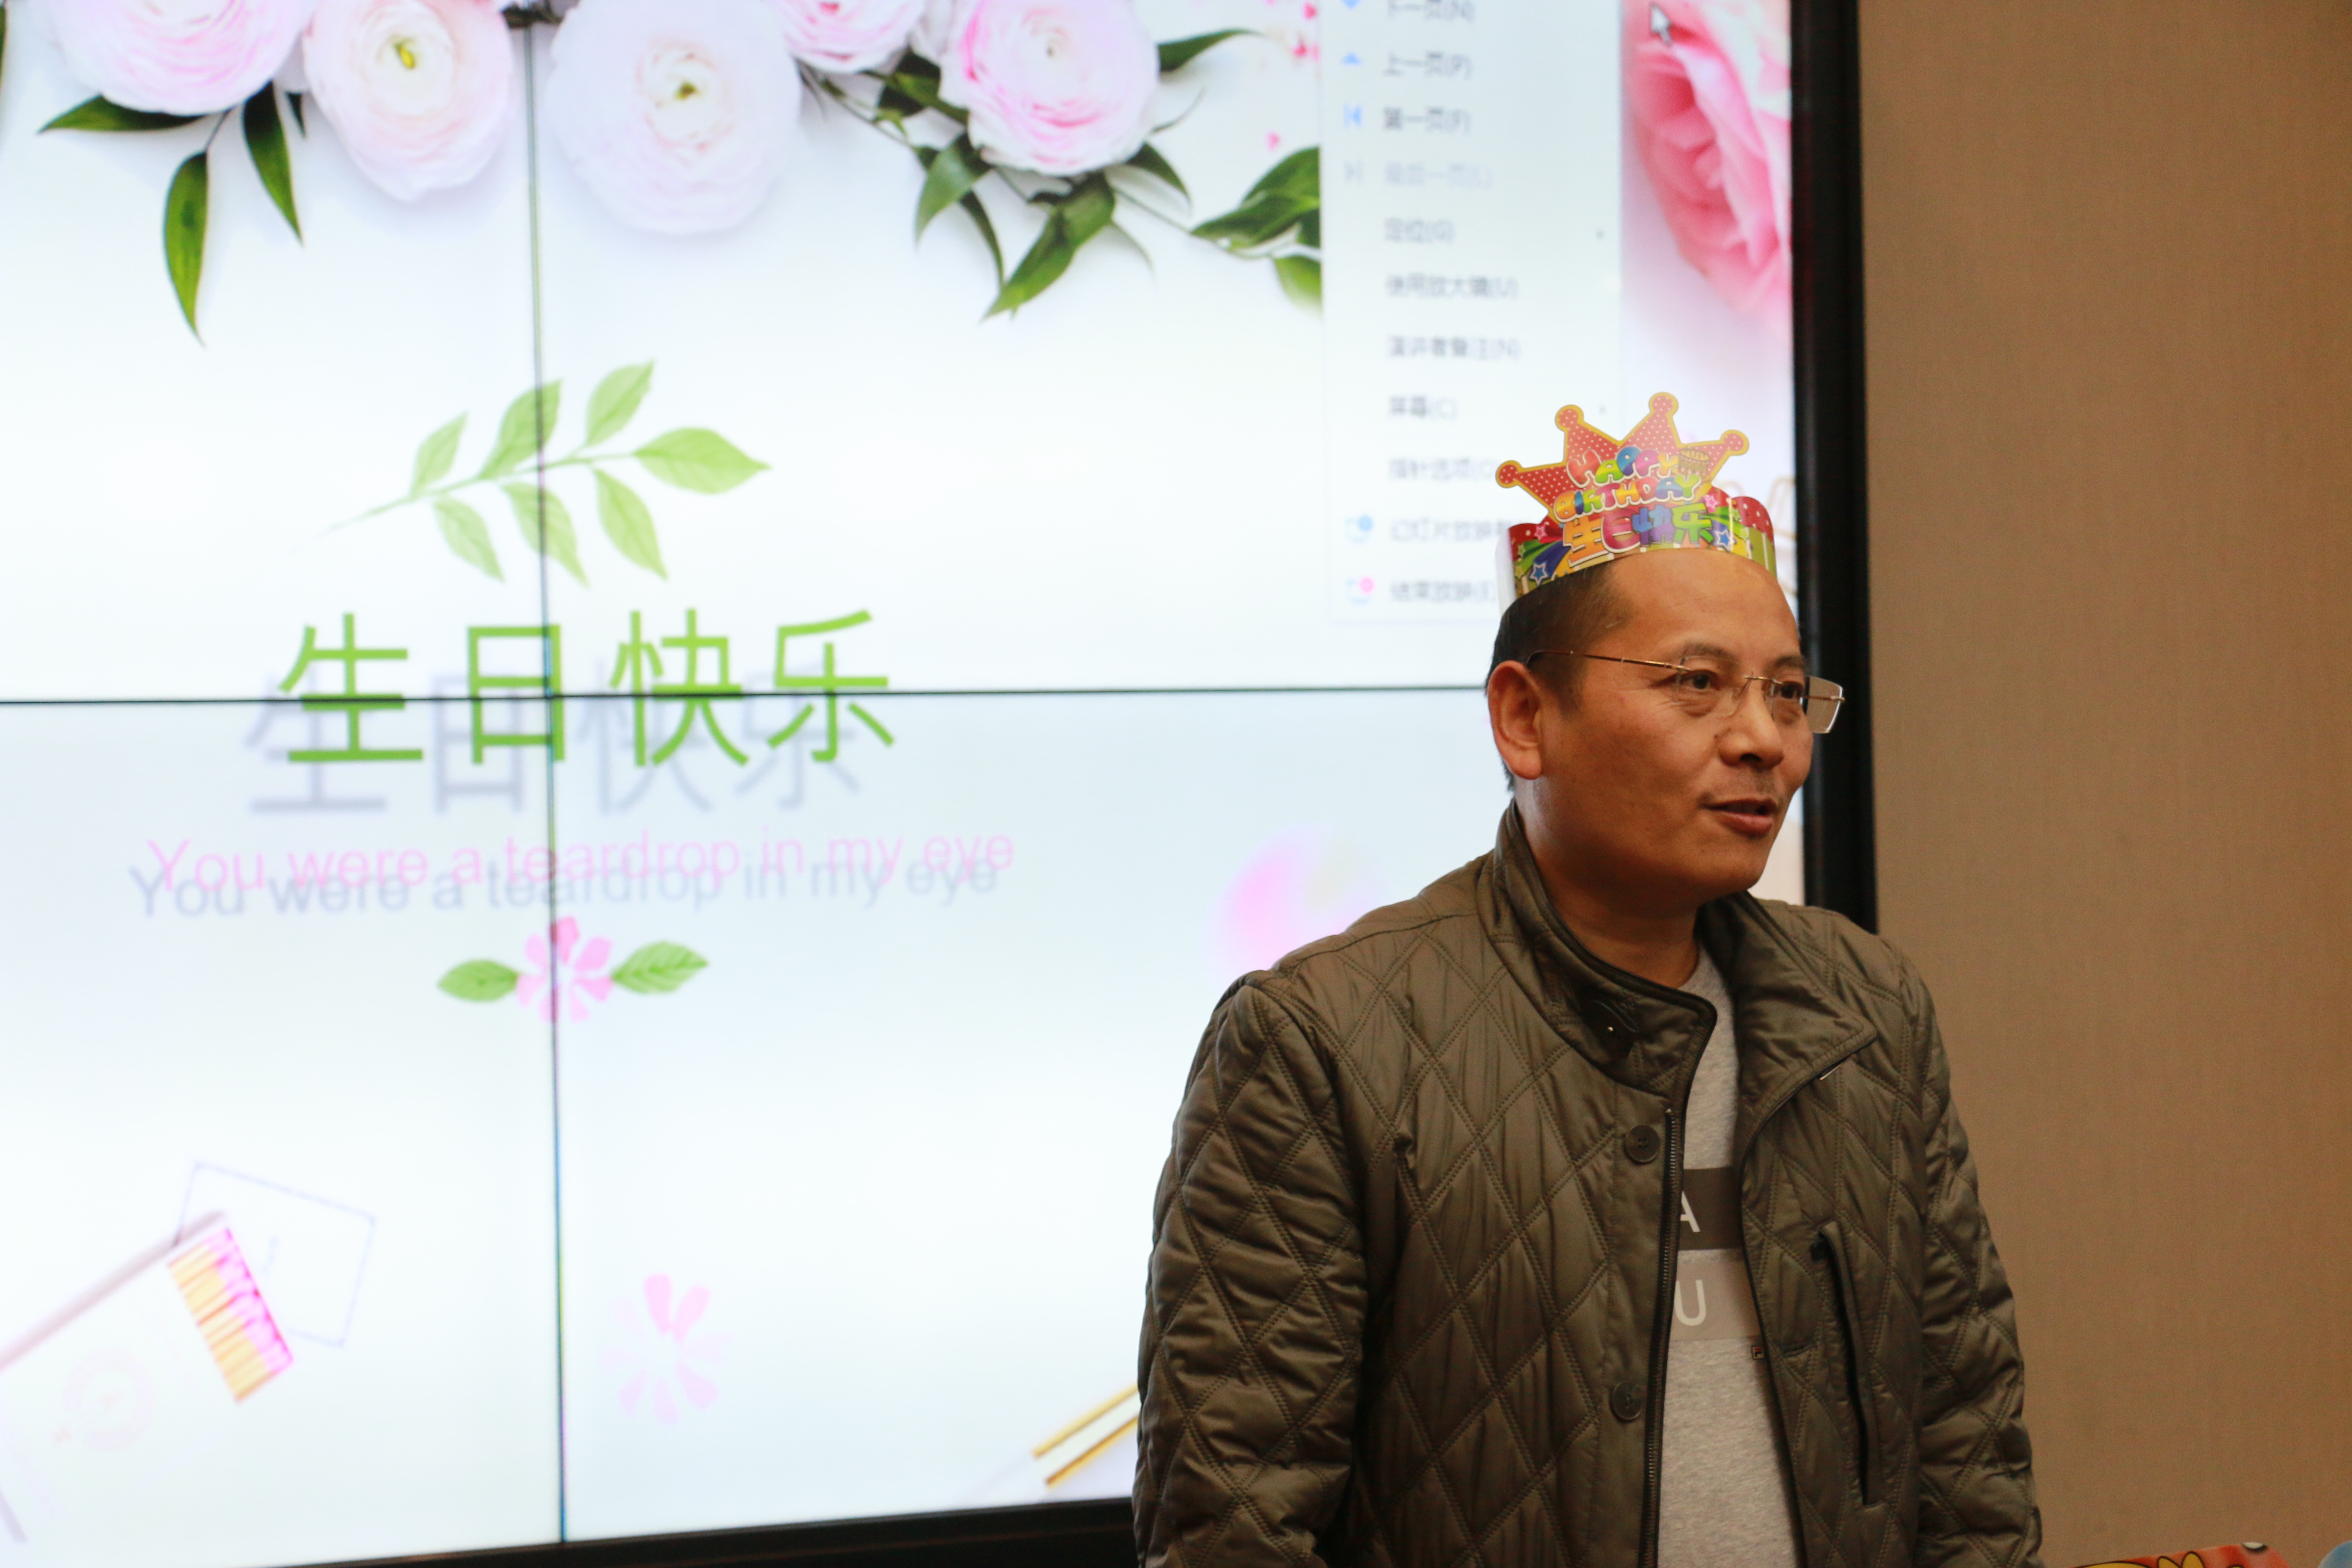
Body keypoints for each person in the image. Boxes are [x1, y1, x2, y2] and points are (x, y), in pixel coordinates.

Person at [1133, 395, 2040, 1568]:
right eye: (1697, 683)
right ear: (1525, 716)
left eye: (1786, 691)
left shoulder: (1867, 1012)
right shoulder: (1324, 1040)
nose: (1764, 740)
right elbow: (1234, 1525)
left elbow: (1967, 1454)